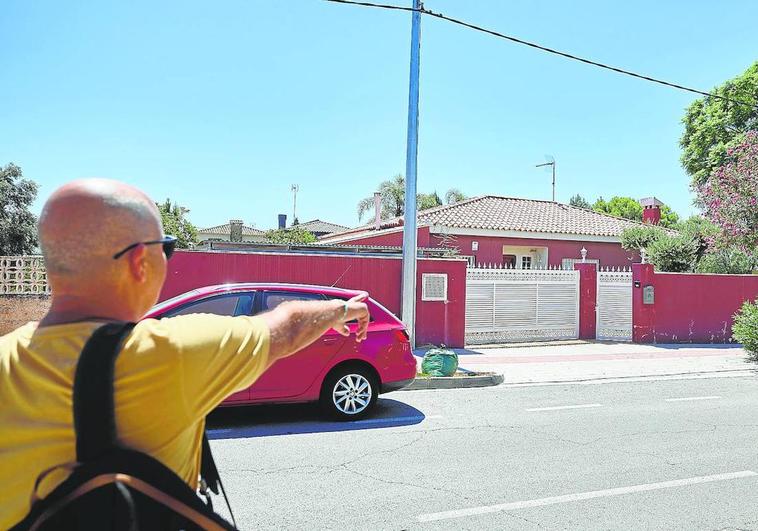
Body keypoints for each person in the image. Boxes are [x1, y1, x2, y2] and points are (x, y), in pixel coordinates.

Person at [0, 178, 370, 529]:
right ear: (139, 262)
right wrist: (342, 310)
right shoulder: (171, 352)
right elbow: (286, 327)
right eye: (167, 248)